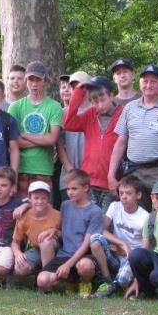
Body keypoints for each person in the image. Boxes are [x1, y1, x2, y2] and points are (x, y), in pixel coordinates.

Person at [108, 65, 158, 202]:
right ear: (139, 84)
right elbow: (121, 142)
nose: (148, 85)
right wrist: (111, 175)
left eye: (153, 81)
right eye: (145, 81)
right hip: (134, 172)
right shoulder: (130, 108)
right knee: (134, 216)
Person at [36, 169, 109, 296]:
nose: (70, 192)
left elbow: (86, 244)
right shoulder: (65, 206)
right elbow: (66, 232)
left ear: (85, 188)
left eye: (74, 189)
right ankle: (69, 282)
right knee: (42, 281)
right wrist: (53, 231)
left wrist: (68, 265)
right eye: (68, 189)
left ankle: (85, 281)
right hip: (64, 254)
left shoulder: (95, 211)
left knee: (84, 266)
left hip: (84, 256)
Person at [63, 75, 124, 212]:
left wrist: (116, 178)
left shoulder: (123, 113)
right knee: (89, 220)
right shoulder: (91, 113)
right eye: (95, 101)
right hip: (88, 182)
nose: (99, 105)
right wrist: (79, 91)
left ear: (112, 96)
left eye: (102, 100)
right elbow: (68, 123)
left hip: (111, 182)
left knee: (104, 225)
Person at [8, 61, 63, 198]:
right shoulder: (15, 107)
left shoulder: (54, 106)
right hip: (21, 169)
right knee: (21, 215)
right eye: (31, 79)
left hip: (43, 169)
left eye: (38, 79)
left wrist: (24, 135)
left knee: (43, 216)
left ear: (45, 81)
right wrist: (42, 140)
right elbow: (14, 142)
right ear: (26, 81)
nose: (34, 83)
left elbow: (52, 140)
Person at [89, 174, 149, 297]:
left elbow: (145, 249)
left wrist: (130, 253)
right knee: (95, 239)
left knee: (122, 280)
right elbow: (102, 230)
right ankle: (108, 281)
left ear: (138, 195)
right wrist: (121, 243)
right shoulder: (114, 206)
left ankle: (123, 283)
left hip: (131, 257)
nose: (124, 197)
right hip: (115, 251)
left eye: (128, 193)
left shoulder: (145, 217)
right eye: (121, 193)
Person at [11, 181, 62, 277]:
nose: (40, 201)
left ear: (48, 199)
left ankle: (47, 280)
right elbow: (15, 241)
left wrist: (55, 231)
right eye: (36, 198)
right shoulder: (24, 217)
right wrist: (18, 253)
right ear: (29, 199)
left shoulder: (57, 215)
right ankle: (39, 273)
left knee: (46, 242)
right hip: (36, 248)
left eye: (43, 198)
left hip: (56, 248)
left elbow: (66, 235)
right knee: (20, 268)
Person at [56, 72, 88, 205]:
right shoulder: (63, 113)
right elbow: (59, 144)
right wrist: (69, 168)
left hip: (89, 176)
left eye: (79, 86)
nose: (75, 89)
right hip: (68, 176)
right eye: (72, 86)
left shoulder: (95, 111)